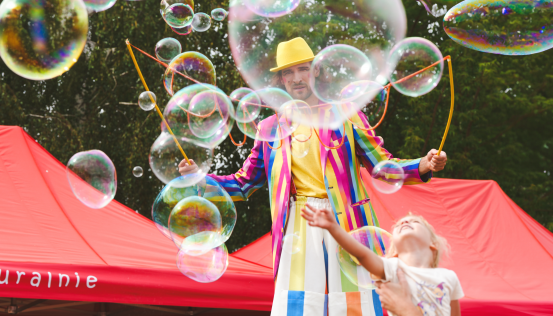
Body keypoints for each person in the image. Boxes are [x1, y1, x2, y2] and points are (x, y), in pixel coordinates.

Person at [179, 37, 448, 316]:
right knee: (298, 305)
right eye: (288, 72)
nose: (296, 78)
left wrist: (424, 165)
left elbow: (382, 165)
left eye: (303, 69)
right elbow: (244, 182)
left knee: (358, 302)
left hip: (348, 220)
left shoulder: (344, 114)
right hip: (299, 220)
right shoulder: (271, 127)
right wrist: (201, 180)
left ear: (316, 71)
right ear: (281, 79)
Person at [301, 208, 463, 316]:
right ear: (394, 252)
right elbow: (362, 254)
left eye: (414, 222)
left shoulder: (449, 276)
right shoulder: (393, 268)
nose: (405, 222)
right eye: (399, 225)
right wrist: (333, 228)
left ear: (432, 244)